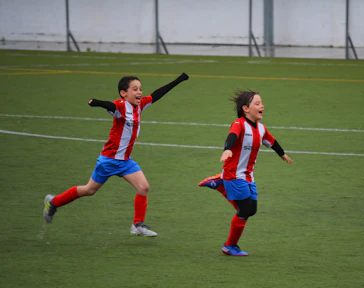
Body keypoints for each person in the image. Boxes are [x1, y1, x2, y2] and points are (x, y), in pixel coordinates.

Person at [43, 73, 189, 237]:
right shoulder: (120, 106)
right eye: (135, 89)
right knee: (89, 190)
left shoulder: (140, 105)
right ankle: (53, 202)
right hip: (109, 161)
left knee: (143, 187)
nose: (139, 92)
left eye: (140, 89)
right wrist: (98, 103)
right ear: (123, 93)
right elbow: (111, 106)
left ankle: (137, 225)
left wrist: (178, 80)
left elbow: (157, 94)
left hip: (126, 161)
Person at [198, 89, 292, 256]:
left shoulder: (261, 128)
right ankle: (229, 246)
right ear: (245, 109)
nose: (261, 106)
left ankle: (220, 185)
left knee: (251, 209)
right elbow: (232, 137)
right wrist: (227, 150)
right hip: (233, 174)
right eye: (257, 103)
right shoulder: (239, 124)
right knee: (245, 210)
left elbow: (272, 141)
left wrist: (282, 153)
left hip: (248, 176)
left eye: (261, 103)